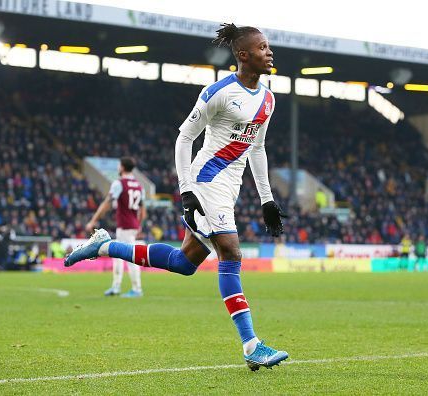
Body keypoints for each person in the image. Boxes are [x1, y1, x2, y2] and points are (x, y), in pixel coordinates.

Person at [66, 23, 288, 370]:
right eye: (261, 48)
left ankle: (103, 247)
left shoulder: (269, 99)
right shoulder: (218, 92)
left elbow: (257, 148)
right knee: (230, 251)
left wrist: (267, 199)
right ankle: (251, 345)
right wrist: (186, 190)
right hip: (205, 181)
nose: (269, 52)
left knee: (185, 263)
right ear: (243, 55)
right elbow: (185, 138)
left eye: (268, 46)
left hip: (230, 188)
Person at [85, 157, 145, 298]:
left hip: (124, 226)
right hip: (132, 226)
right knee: (117, 256)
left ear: (123, 167)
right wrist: (139, 226)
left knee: (131, 257)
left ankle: (137, 289)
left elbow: (107, 202)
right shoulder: (139, 186)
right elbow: (143, 210)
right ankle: (116, 286)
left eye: (119, 166)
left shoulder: (119, 184)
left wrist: (93, 220)